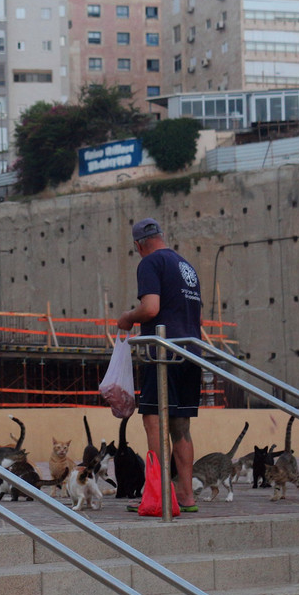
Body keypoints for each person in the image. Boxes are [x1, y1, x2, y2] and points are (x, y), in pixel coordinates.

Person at [117, 217, 202, 511]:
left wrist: (128, 317)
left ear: (139, 245)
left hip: (163, 354)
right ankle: (187, 497)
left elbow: (151, 308)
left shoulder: (150, 263)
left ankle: (158, 495)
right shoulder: (185, 266)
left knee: (153, 419)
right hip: (191, 353)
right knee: (181, 427)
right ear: (162, 236)